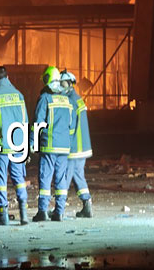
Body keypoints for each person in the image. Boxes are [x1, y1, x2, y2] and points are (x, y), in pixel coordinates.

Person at [0, 66, 29, 225]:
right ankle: (24, 213)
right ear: (8, 78)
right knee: (19, 178)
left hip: (1, 145)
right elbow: (25, 121)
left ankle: (2, 214)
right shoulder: (19, 95)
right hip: (17, 145)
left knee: (0, 180)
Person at [30, 66, 76, 222]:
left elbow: (37, 123)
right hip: (64, 147)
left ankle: (42, 211)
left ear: (46, 79)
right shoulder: (67, 100)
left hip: (49, 145)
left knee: (45, 177)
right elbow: (71, 125)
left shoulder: (45, 99)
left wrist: (31, 143)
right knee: (60, 179)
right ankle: (59, 212)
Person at [60, 70, 93, 218]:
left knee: (65, 177)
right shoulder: (78, 99)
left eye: (62, 83)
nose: (60, 86)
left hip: (73, 147)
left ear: (69, 84)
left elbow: (69, 126)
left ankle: (59, 209)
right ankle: (87, 205)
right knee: (79, 176)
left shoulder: (70, 101)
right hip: (83, 147)